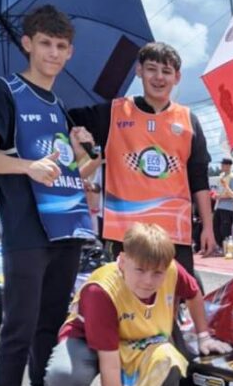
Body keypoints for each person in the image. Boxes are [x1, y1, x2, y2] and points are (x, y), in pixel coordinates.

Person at [0, 5, 98, 386]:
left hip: (67, 227)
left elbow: (75, 173)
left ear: (70, 52)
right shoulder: (3, 90)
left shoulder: (60, 106)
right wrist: (27, 166)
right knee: (19, 324)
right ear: (27, 43)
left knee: (50, 320)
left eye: (61, 46)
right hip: (26, 229)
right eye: (45, 43)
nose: (53, 52)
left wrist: (87, 150)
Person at [45, 223, 231, 386]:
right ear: (122, 261)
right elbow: (110, 365)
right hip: (87, 341)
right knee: (64, 377)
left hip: (135, 338)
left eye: (157, 273)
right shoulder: (101, 291)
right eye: (140, 270)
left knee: (169, 357)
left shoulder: (171, 270)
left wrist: (203, 336)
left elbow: (194, 293)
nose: (148, 281)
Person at [70, 41, 216, 275]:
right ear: (139, 71)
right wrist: (78, 135)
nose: (159, 77)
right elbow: (65, 118)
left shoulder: (189, 120)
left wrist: (208, 227)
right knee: (125, 305)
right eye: (151, 69)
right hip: (124, 233)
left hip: (174, 233)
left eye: (166, 71)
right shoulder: (113, 112)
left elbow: (199, 180)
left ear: (177, 77)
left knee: (173, 303)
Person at [212, 157, 233, 252]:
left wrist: (220, 197)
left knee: (225, 229)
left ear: (228, 166)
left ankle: (227, 248)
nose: (221, 166)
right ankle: (220, 246)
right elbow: (218, 190)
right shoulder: (221, 176)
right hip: (218, 206)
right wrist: (215, 195)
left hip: (228, 208)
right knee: (216, 227)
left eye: (223, 164)